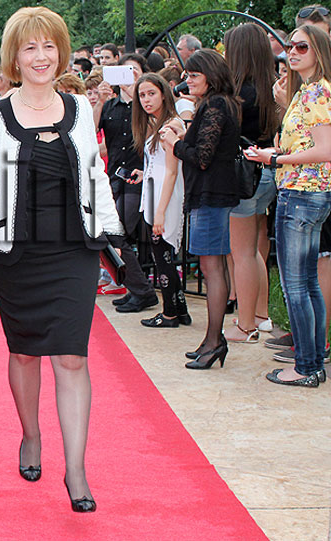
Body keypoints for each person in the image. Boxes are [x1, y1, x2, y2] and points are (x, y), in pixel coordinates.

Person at [0, 7, 124, 513]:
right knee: (24, 354)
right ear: (15, 57)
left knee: (73, 357)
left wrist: (111, 234)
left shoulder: (79, 107)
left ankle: (76, 469)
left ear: (61, 52)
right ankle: (31, 435)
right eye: (30, 47)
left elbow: (94, 173)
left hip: (74, 248)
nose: (41, 56)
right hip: (16, 252)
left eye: (49, 45)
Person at [246, 25, 331, 386]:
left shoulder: (317, 92)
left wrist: (276, 159)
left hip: (302, 195)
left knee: (297, 287)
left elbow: (325, 151)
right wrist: (276, 151)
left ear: (319, 51)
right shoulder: (308, 91)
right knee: (306, 285)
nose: (292, 52)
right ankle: (312, 362)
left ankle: (306, 367)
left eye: (301, 47)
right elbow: (308, 144)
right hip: (304, 193)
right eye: (289, 46)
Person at [161, 49, 241, 370]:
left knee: (212, 269)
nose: (188, 81)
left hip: (212, 195)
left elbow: (202, 157)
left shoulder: (216, 105)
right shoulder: (215, 104)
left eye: (194, 75)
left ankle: (213, 341)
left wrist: (175, 144)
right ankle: (211, 340)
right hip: (211, 194)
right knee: (212, 267)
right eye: (187, 75)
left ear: (211, 76)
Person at [223, 24, 281, 343]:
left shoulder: (238, 95)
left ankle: (246, 325)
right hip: (268, 172)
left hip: (245, 175)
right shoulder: (272, 88)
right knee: (256, 248)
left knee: (242, 252)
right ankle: (260, 314)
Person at [95, 54, 159, 313]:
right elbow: (92, 129)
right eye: (125, 70)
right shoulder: (110, 105)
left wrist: (136, 95)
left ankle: (142, 291)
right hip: (113, 177)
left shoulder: (146, 107)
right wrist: (100, 101)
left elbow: (154, 132)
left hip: (139, 178)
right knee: (113, 236)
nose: (129, 76)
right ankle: (137, 289)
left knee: (118, 234)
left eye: (135, 71)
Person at [131, 73, 191, 328]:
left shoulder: (170, 127)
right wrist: (144, 174)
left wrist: (160, 212)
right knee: (164, 257)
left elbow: (172, 172)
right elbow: (161, 165)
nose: (146, 100)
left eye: (151, 94)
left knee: (163, 258)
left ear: (164, 94)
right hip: (155, 194)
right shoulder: (161, 124)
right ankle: (180, 310)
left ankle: (169, 314)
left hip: (164, 199)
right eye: (142, 95)